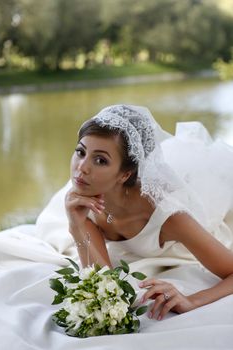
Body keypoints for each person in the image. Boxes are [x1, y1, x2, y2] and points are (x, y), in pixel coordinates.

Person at [65, 104, 233, 322]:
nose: (82, 168)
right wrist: (76, 225)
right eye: (80, 152)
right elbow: (101, 283)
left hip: (197, 202)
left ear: (125, 174)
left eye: (100, 160)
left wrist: (193, 300)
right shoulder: (84, 195)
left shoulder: (170, 217)